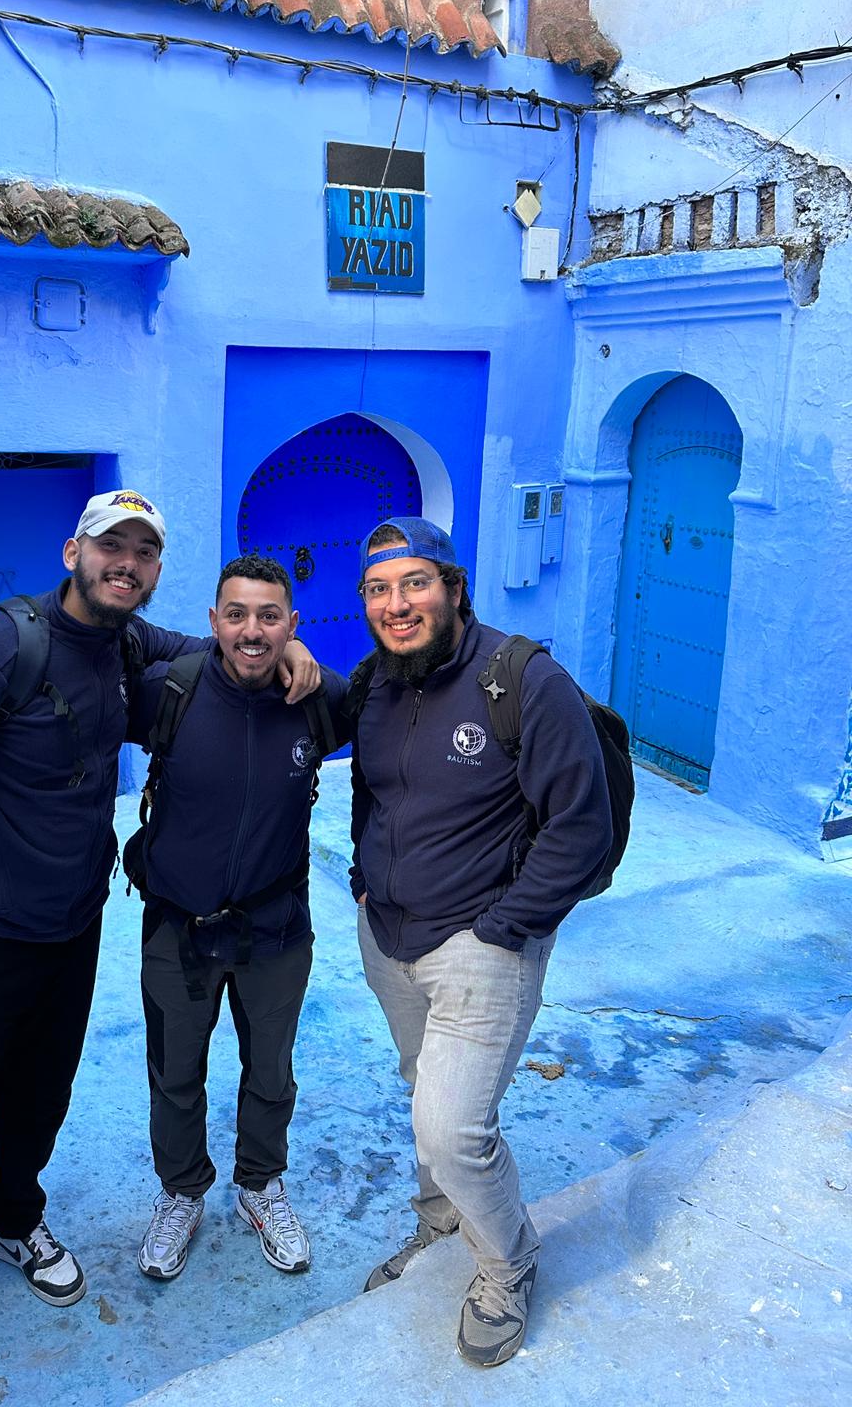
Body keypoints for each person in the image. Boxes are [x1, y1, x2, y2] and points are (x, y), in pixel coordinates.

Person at [0, 493, 318, 1365]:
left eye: (145, 552)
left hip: (72, 924)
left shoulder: (125, 643)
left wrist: (286, 644)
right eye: (112, 546)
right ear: (73, 550)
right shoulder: (1, 649)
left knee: (41, 1092)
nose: (127, 564)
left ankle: (13, 1222)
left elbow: (208, 649)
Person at [349, 517, 611, 1368]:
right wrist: (365, 879)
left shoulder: (523, 680)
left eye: (416, 583)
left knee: (453, 1128)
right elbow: (375, 795)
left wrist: (507, 926)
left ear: (454, 589)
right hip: (389, 940)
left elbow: (582, 826)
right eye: (380, 590)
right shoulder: (377, 684)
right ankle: (442, 1228)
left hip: (482, 944)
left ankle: (508, 1264)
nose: (399, 604)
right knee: (423, 1092)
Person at [125, 555, 348, 1282]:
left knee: (271, 1072)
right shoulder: (171, 692)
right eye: (237, 615)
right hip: (176, 929)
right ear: (213, 620)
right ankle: (182, 1190)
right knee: (175, 1073)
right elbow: (105, 644)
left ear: (293, 623)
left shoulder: (319, 700)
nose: (253, 632)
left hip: (277, 929)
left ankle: (260, 1185)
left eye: (271, 617)